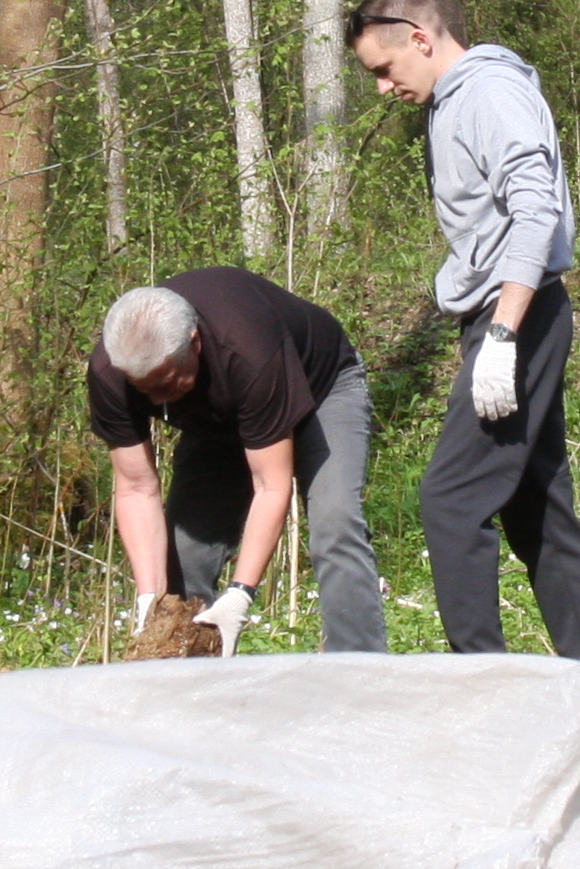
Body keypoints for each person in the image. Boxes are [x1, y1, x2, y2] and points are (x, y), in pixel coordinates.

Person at [346, 0, 580, 657]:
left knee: (451, 498)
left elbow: (536, 210)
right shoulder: (451, 102)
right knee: (535, 503)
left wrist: (503, 333)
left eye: (385, 69)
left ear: (420, 38)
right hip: (507, 315)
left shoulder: (489, 92)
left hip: (520, 313)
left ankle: (482, 684)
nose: (383, 88)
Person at [89, 269, 383, 651]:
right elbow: (135, 488)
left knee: (335, 523)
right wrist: (151, 598)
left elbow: (271, 485)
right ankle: (187, 670)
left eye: (166, 382)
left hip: (322, 391)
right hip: (220, 420)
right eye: (145, 390)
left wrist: (240, 595)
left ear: (194, 342)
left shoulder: (247, 349)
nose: (157, 399)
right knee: (183, 554)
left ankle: (358, 667)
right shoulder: (111, 373)